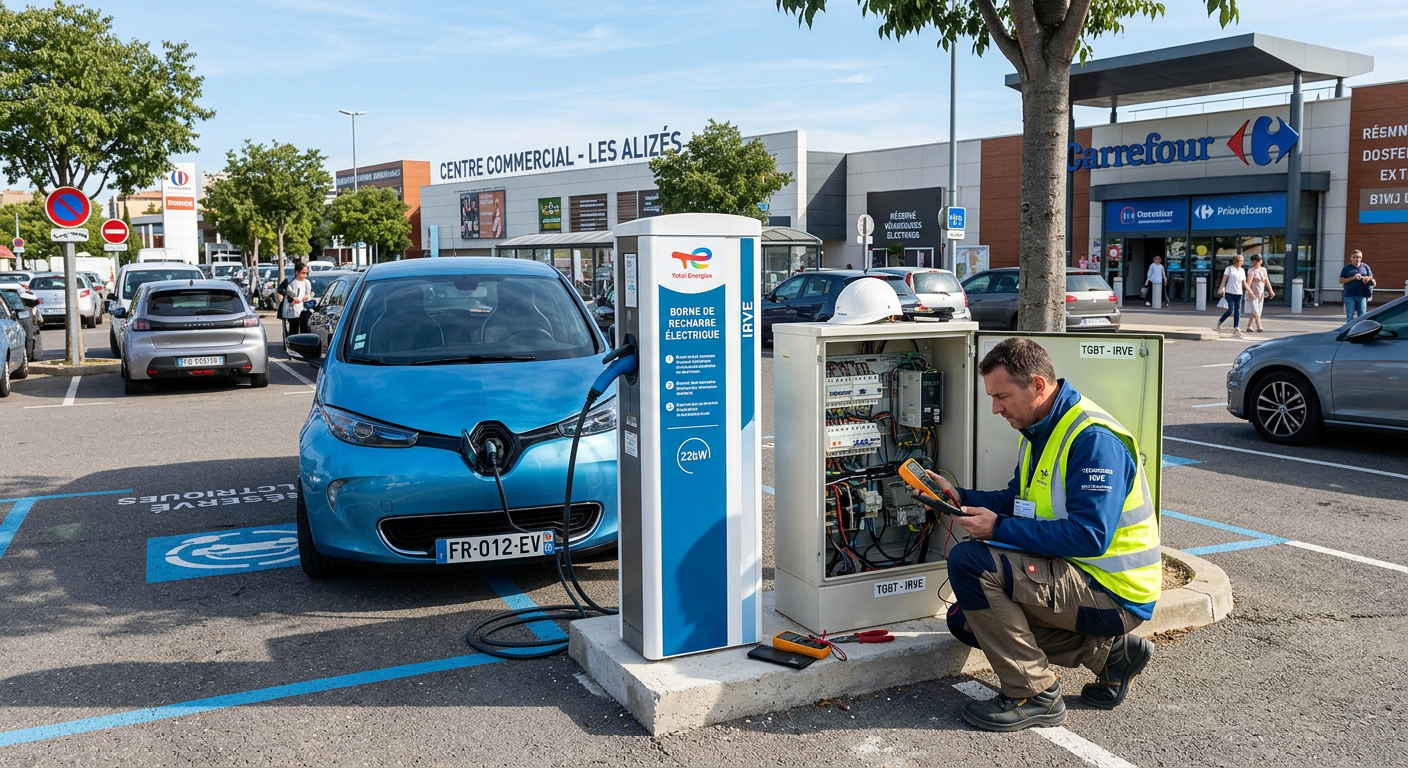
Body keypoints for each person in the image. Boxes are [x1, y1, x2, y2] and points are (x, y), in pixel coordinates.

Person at [921, 338, 1160, 733]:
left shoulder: (1092, 441)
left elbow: (1090, 537)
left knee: (971, 563)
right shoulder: (1039, 430)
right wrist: (956, 496)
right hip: (1076, 576)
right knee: (965, 620)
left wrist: (996, 528)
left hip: (1115, 591)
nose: (996, 408)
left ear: (1037, 385)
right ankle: (1111, 654)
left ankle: (1034, 694)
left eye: (1002, 396)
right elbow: (1018, 501)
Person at [1338, 250, 1375, 322]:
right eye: (1354, 257)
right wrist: (1353, 278)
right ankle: (1349, 332)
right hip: (1349, 295)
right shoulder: (1346, 268)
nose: (1357, 259)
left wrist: (1366, 279)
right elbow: (1340, 280)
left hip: (1362, 295)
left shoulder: (1365, 267)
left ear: (1361, 258)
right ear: (1351, 258)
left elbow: (1371, 277)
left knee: (1362, 316)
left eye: (1359, 257)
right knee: (1350, 316)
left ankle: (1360, 331)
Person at [1215, 255, 1247, 337]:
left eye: (1241, 261)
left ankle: (1236, 327)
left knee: (1238, 310)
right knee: (1230, 310)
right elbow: (1224, 279)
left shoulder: (1242, 270)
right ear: (1235, 261)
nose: (1240, 263)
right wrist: (1221, 288)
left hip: (1239, 292)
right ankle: (1220, 322)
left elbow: (1244, 282)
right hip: (1230, 292)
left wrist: (1250, 292)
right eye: (1239, 261)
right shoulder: (1229, 269)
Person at [1244, 254, 1274, 333]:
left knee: (1257, 311)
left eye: (1256, 262)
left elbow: (1266, 280)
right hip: (1252, 293)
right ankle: (1259, 326)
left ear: (1260, 261)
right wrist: (1250, 292)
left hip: (1261, 294)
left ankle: (1249, 326)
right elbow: (1248, 283)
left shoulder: (1263, 270)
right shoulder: (1251, 271)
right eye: (1253, 262)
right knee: (1256, 311)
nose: (1255, 264)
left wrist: (1271, 290)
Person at [281, 261, 313, 336]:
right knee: (294, 328)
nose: (304, 275)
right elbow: (282, 290)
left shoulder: (307, 282)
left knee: (305, 328)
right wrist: (292, 298)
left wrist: (307, 296)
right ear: (296, 272)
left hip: (304, 308)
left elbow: (310, 293)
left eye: (306, 273)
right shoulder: (290, 281)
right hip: (292, 309)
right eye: (302, 273)